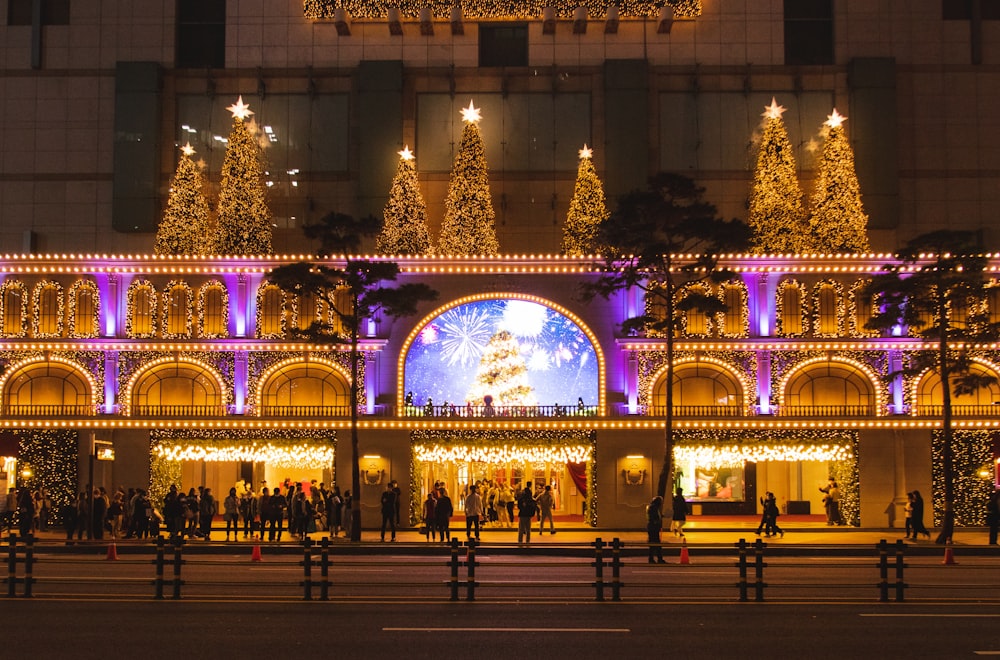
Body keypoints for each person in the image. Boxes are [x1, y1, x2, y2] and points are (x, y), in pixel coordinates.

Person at [646, 496, 666, 563]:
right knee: (656, 544)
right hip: (653, 528)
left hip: (652, 527)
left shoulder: (652, 507)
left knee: (653, 544)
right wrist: (658, 521)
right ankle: (658, 559)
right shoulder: (654, 508)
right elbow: (654, 518)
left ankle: (653, 558)